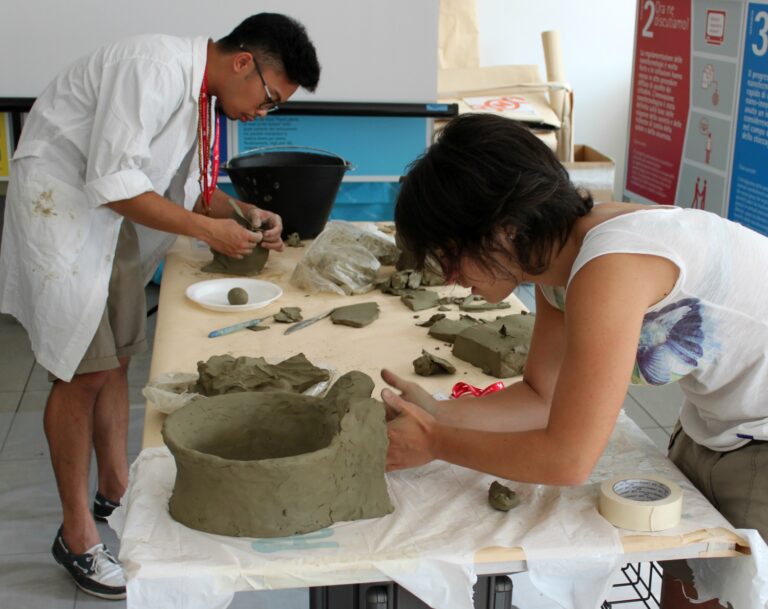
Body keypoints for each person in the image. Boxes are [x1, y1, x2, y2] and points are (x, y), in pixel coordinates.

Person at [381, 113, 768, 608]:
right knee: (688, 589)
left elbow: (568, 458)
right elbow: (542, 396)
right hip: (715, 423)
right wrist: (438, 411)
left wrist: (437, 442)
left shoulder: (611, 267)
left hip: (759, 437)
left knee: (728, 590)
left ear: (505, 228)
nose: (452, 278)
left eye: (452, 255)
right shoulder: (561, 262)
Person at [0, 13, 320, 600]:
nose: (262, 112)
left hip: (111, 217)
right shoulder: (150, 68)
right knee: (79, 371)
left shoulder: (203, 96)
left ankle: (116, 490)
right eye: (269, 97)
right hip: (65, 208)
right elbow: (115, 181)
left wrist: (244, 215)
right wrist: (207, 231)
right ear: (243, 63)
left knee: (117, 358)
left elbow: (196, 190)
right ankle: (75, 536)